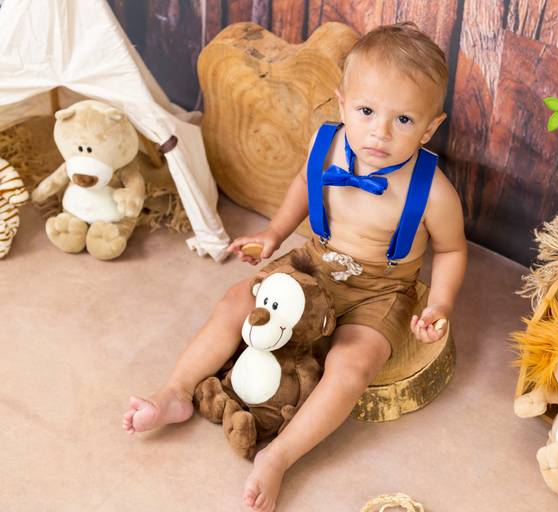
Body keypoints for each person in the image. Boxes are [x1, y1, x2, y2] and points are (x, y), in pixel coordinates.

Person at [123, 22, 467, 512]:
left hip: (381, 288)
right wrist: (273, 234)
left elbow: (452, 251)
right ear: (342, 104)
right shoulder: (326, 145)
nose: (380, 132)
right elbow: (303, 189)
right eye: (366, 111)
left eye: (405, 119)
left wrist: (440, 304)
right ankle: (175, 392)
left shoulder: (433, 190)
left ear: (430, 127)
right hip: (314, 259)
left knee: (352, 365)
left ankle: (279, 456)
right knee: (238, 300)